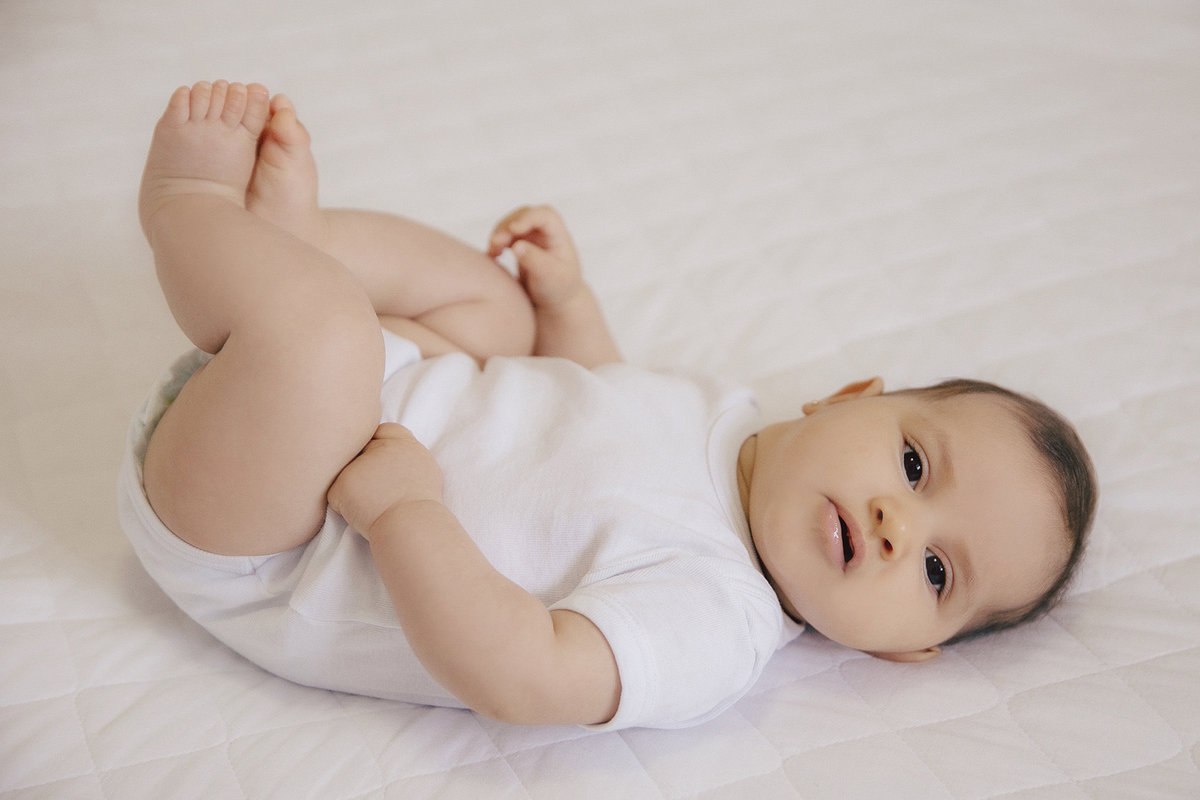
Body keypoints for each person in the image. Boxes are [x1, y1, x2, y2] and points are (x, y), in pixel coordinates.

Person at [119, 81, 1097, 730]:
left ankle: (190, 210)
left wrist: (406, 513)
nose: (896, 526)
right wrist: (569, 307)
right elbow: (600, 407)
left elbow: (527, 674)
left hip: (272, 536)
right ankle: (300, 242)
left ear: (907, 650)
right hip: (372, 400)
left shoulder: (714, 625)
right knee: (495, 307)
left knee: (323, 333)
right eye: (915, 466)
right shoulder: (729, 419)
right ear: (847, 398)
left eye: (935, 570)